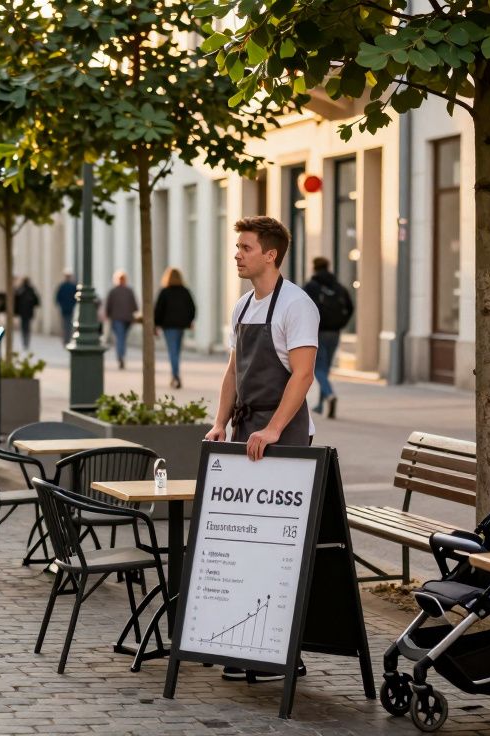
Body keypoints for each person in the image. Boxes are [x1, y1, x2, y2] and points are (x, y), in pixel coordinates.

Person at [204, 216, 318, 684]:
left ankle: (281, 652)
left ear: (269, 254)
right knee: (246, 545)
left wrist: (272, 429)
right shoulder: (242, 306)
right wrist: (218, 423)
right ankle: (243, 643)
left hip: (284, 435)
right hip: (244, 431)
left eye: (245, 247)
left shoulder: (297, 305)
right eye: (237, 246)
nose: (237, 254)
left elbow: (303, 375)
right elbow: (233, 371)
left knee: (280, 550)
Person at [303, 256, 355, 419]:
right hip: (334, 333)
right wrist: (341, 323)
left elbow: (302, 307)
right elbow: (350, 307)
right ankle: (319, 404)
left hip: (317, 332)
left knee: (318, 369)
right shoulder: (338, 287)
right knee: (324, 370)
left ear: (314, 267)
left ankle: (330, 395)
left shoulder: (311, 287)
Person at [154, 267, 196, 389]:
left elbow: (158, 310)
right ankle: (175, 375)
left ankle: (175, 376)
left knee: (173, 351)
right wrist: (189, 321)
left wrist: (156, 324)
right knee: (176, 351)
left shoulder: (164, 291)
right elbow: (192, 308)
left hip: (168, 327)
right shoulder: (185, 291)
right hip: (181, 326)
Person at [105, 271, 138, 370]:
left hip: (117, 318)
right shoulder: (129, 291)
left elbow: (108, 305)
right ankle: (121, 355)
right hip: (127, 318)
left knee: (120, 338)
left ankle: (120, 356)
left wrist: (108, 314)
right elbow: (134, 305)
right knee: (122, 338)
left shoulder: (113, 291)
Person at [14, 277, 41, 350]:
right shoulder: (30, 290)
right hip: (28, 312)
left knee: (24, 327)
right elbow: (37, 301)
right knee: (27, 327)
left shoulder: (21, 290)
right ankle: (26, 342)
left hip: (23, 312)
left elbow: (16, 300)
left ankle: (25, 342)